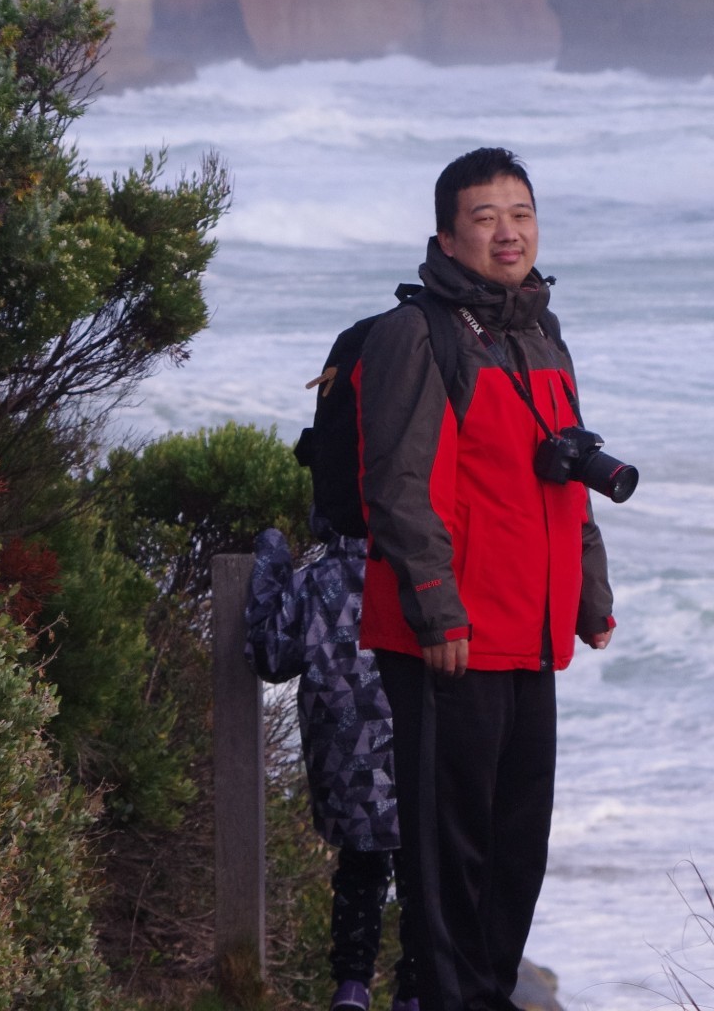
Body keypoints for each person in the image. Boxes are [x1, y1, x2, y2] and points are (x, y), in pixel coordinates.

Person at [356, 147, 617, 1011]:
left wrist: (590, 590)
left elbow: (567, 471)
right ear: (446, 235)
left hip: (529, 636)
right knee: (447, 850)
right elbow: (397, 486)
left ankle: (489, 994)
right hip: (452, 642)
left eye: (522, 213)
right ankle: (448, 998)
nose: (508, 231)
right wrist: (436, 613)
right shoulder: (414, 335)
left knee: (516, 848)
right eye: (486, 216)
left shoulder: (541, 334)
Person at [248, 523, 419, 1011]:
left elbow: (270, 654)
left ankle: (351, 987)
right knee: (420, 876)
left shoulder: (316, 580)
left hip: (342, 765)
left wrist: (272, 554)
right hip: (415, 752)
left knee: (359, 872)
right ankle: (415, 991)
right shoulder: (423, 572)